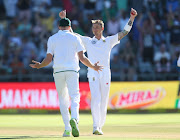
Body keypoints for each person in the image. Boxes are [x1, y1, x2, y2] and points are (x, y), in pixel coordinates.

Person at [59, 8, 137, 135]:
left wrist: (131, 19)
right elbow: (73, 36)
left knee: (104, 99)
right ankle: (95, 126)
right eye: (93, 27)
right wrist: (64, 19)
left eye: (97, 27)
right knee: (95, 99)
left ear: (102, 29)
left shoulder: (109, 40)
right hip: (93, 72)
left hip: (106, 72)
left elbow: (124, 32)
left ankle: (100, 126)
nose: (94, 29)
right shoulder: (89, 41)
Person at [29, 18, 103, 137]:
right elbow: (82, 58)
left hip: (58, 71)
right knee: (74, 97)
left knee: (63, 100)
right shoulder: (75, 38)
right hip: (72, 71)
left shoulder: (52, 38)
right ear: (69, 27)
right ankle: (74, 118)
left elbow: (48, 59)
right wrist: (93, 67)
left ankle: (67, 129)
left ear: (59, 27)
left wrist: (39, 65)